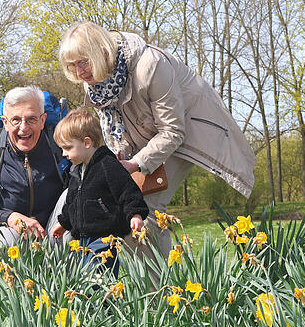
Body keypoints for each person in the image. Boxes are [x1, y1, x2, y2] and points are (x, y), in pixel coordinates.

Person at [58, 22, 255, 255]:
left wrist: (135, 163)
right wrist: (119, 155)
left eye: (83, 62)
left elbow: (173, 130)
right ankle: (138, 274)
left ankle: (159, 277)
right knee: (118, 198)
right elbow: (115, 127)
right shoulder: (94, 84)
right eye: (72, 65)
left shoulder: (150, 65)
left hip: (187, 131)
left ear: (102, 52)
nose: (79, 72)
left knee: (144, 207)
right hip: (150, 135)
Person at [0, 86, 67, 249]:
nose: (24, 128)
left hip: (54, 229)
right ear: (5, 122)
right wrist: (9, 218)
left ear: (43, 120)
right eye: (16, 120)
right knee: (1, 243)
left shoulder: (61, 146)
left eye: (31, 119)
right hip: (11, 230)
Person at [50, 108, 148, 275]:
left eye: (68, 148)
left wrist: (135, 214)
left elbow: (127, 191)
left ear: (87, 143)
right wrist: (64, 223)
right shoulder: (77, 171)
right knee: (85, 278)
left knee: (99, 277)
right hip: (82, 238)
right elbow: (72, 202)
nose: (64, 154)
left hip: (105, 237)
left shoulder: (108, 165)